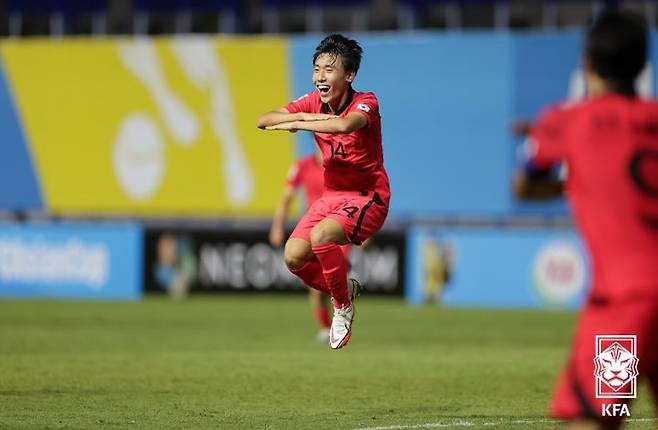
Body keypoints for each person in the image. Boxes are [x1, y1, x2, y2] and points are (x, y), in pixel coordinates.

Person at [513, 9, 658, 429]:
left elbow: (525, 185)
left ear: (587, 63)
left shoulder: (565, 121)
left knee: (595, 420)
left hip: (627, 306)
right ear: (643, 65)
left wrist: (578, 180)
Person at [257, 34, 390, 350]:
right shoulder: (312, 102)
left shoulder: (366, 102)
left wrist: (300, 121)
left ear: (349, 75)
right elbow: (264, 120)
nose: (320, 76)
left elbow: (345, 125)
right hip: (331, 197)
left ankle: (342, 309)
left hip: (368, 196)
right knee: (293, 256)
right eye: (316, 68)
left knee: (320, 237)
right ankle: (345, 292)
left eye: (329, 69)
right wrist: (300, 116)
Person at [269, 148, 350, 343]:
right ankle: (327, 326)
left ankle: (336, 322)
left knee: (330, 277)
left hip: (337, 227)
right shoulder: (301, 166)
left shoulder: (341, 165)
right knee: (318, 286)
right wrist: (277, 227)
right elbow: (286, 197)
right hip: (312, 228)